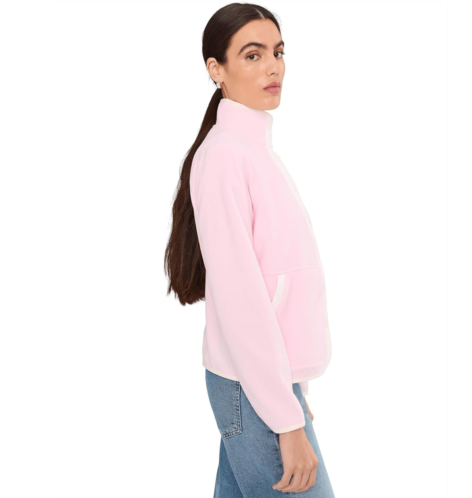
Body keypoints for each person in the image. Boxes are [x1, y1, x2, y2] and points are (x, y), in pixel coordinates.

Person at [165, 3, 335, 496]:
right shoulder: (224, 156)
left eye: (278, 52)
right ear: (216, 69)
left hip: (264, 384)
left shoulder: (256, 151)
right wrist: (286, 416)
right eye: (253, 55)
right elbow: (241, 301)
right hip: (252, 388)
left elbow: (281, 281)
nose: (273, 67)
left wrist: (294, 388)